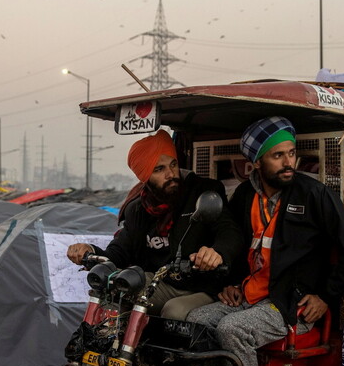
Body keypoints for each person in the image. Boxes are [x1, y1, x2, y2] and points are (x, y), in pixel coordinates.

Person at [187, 116, 344, 366]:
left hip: (290, 306)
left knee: (232, 329)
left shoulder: (313, 193)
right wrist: (230, 282)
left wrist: (325, 296)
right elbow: (235, 242)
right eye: (278, 155)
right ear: (256, 163)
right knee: (196, 320)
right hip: (251, 296)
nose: (289, 162)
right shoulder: (245, 194)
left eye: (291, 153)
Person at [66, 130, 244, 318]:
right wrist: (90, 251)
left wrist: (217, 253)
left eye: (173, 164)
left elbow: (230, 232)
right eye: (159, 169)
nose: (170, 174)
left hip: (200, 285)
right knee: (114, 289)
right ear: (145, 176)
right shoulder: (137, 209)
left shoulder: (203, 192)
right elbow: (119, 252)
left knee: (174, 311)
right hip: (159, 283)